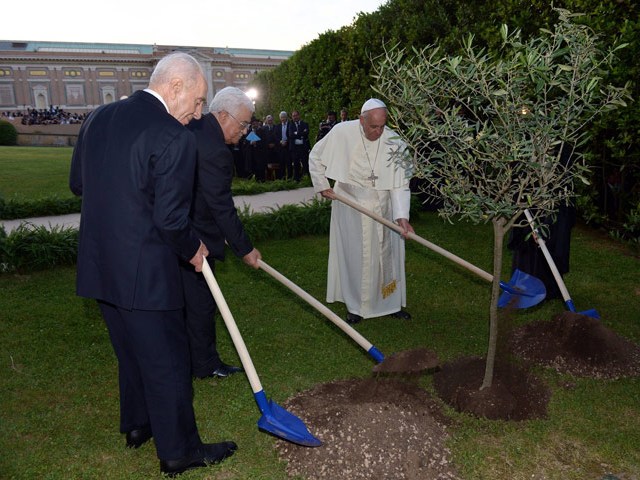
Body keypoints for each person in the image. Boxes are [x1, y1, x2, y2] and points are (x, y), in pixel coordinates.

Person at [69, 52, 237, 477]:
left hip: (100, 264)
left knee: (131, 352)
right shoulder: (173, 136)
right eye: (198, 102)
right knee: (169, 362)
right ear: (175, 86)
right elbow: (171, 219)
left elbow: (78, 185)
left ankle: (139, 425)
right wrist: (193, 247)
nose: (199, 115)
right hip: (145, 274)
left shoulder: (98, 117)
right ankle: (180, 451)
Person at [309, 98, 414, 324]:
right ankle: (356, 305)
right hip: (351, 206)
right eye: (373, 127)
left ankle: (391, 303)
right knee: (356, 256)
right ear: (361, 120)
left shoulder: (394, 141)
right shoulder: (341, 132)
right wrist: (322, 185)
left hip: (383, 208)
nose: (378, 132)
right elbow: (315, 156)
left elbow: (399, 183)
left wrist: (402, 216)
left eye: (382, 126)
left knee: (388, 257)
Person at [183, 87, 262, 380]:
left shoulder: (192, 126)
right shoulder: (216, 150)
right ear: (223, 115)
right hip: (192, 238)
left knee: (187, 305)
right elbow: (221, 206)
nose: (244, 132)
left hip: (177, 232)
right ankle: (203, 364)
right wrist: (245, 248)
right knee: (201, 305)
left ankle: (192, 360)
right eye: (242, 125)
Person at [287, 110, 310, 181]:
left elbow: (306, 133)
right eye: (293, 116)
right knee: (296, 164)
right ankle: (296, 180)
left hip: (303, 147)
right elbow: (290, 135)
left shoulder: (305, 124)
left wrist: (296, 133)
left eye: (296, 115)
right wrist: (301, 134)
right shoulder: (290, 125)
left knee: (305, 163)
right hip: (294, 148)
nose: (295, 117)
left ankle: (306, 179)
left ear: (299, 115)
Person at [274, 111, 290, 179]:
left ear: (286, 117)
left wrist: (287, 141)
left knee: (289, 163)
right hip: (280, 147)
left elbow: (291, 135)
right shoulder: (278, 126)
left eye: (284, 117)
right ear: (280, 118)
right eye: (281, 117)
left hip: (288, 146)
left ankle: (289, 178)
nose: (283, 119)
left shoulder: (290, 124)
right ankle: (282, 178)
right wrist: (280, 141)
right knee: (281, 163)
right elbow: (275, 136)